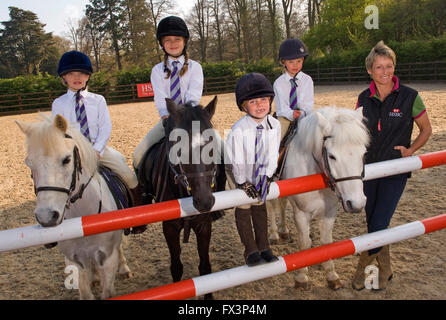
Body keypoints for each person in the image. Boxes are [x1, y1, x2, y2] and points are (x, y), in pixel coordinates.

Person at [352, 41, 432, 290]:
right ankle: (385, 271)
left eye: (389, 66)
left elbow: (426, 129)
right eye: (379, 67)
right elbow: (356, 132)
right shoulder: (363, 98)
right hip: (368, 170)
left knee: (379, 222)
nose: (385, 71)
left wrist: (412, 150)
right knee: (375, 222)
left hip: (396, 169)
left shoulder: (410, 96)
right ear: (370, 70)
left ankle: (362, 269)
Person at [52, 50, 146, 235]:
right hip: (73, 153)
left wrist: (96, 150)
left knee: (129, 177)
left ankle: (138, 218)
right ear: (64, 77)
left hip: (98, 150)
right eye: (71, 73)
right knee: (52, 181)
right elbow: (58, 131)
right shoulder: (59, 103)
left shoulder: (98, 100)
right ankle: (53, 227)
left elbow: (105, 127)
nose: (77, 77)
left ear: (88, 76)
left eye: (81, 73)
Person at [132, 16, 204, 171]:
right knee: (138, 156)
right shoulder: (157, 70)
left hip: (191, 119)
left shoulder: (195, 67)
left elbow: (193, 95)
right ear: (162, 44)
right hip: (168, 119)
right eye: (168, 40)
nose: (173, 44)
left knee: (221, 149)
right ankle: (144, 193)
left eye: (177, 39)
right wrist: (166, 117)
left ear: (184, 41)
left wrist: (185, 116)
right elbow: (160, 96)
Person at [225, 73, 281, 266]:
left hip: (261, 171)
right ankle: (250, 250)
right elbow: (236, 159)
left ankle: (264, 246)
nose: (260, 105)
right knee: (244, 207)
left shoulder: (274, 124)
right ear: (244, 106)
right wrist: (242, 182)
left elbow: (273, 153)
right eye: (253, 101)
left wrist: (267, 175)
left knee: (260, 205)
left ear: (270, 100)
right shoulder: (238, 129)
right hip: (238, 171)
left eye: (264, 100)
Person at [273, 38, 314, 141]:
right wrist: (291, 114)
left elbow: (309, 103)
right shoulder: (278, 83)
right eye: (291, 62)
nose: (295, 65)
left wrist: (302, 112)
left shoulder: (307, 80)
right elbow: (281, 107)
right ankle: (275, 154)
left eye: (299, 61)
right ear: (283, 62)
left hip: (304, 115)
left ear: (303, 60)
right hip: (285, 116)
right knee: (278, 135)